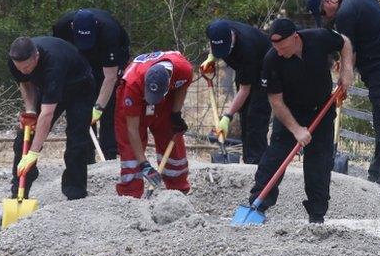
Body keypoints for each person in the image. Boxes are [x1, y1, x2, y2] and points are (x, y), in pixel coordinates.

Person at [307, 0, 380, 192]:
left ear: (327, 2)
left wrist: (343, 81)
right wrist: (344, 61)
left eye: (322, 13)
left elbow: (348, 48)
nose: (326, 17)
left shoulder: (344, 14)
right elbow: (356, 44)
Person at [248, 18, 354, 223]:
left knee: (319, 164)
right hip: (290, 113)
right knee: (274, 159)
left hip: (322, 110)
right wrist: (296, 129)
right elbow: (276, 102)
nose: (279, 51)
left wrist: (346, 69)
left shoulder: (319, 38)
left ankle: (317, 216)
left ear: (295, 38)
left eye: (282, 46)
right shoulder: (272, 60)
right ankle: (257, 206)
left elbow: (345, 42)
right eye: (275, 47)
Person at [7, 36, 95, 201]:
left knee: (76, 141)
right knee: (23, 139)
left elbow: (47, 114)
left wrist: (34, 152)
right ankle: (18, 196)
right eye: (20, 68)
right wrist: (31, 111)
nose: (24, 71)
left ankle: (75, 195)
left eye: (27, 67)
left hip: (80, 87)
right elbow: (25, 84)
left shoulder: (54, 63)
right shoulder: (15, 61)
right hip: (49, 88)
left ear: (37, 57)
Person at [52, 8, 131, 161]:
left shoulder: (110, 32)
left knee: (109, 106)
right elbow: (59, 57)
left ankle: (109, 155)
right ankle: (86, 156)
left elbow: (110, 77)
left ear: (95, 26)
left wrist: (98, 107)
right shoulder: (62, 28)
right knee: (81, 108)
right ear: (73, 27)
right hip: (78, 62)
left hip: (108, 61)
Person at [114, 51, 193, 198]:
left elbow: (183, 85)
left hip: (166, 100)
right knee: (131, 155)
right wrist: (144, 164)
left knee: (171, 138)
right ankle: (130, 199)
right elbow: (132, 129)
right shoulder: (132, 85)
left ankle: (177, 193)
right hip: (136, 97)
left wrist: (176, 114)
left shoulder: (183, 69)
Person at [199, 19, 272, 164]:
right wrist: (211, 58)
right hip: (244, 68)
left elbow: (245, 90)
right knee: (244, 112)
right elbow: (215, 45)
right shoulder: (214, 29)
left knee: (255, 116)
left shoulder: (247, 48)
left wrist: (227, 117)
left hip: (266, 69)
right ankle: (248, 160)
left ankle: (257, 163)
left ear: (232, 37)